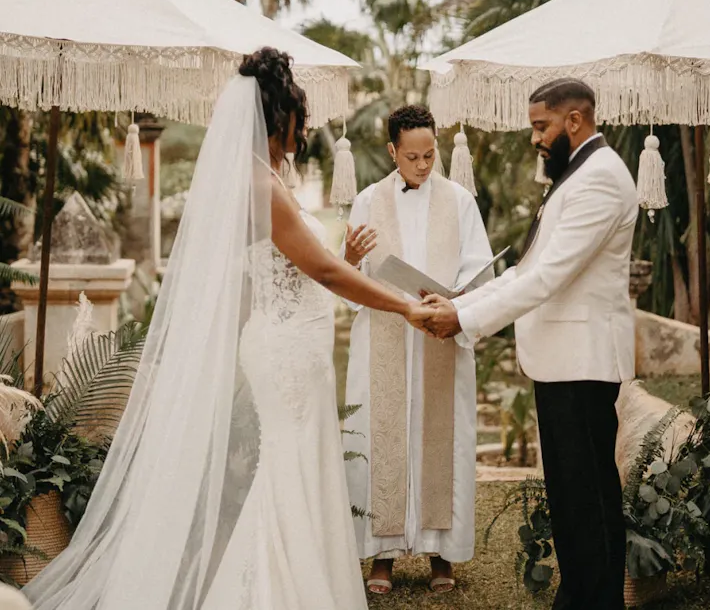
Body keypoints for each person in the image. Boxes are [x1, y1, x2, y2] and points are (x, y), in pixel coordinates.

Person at [24, 49, 432, 610]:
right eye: (299, 115)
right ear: (277, 118)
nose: (306, 127)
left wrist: (342, 262)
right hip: (286, 355)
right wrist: (406, 307)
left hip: (291, 348)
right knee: (288, 471)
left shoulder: (265, 177)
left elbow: (286, 268)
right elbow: (323, 271)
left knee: (299, 468)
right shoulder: (261, 187)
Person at [421, 79, 638, 610]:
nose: (535, 139)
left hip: (582, 364)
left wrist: (463, 319)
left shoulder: (601, 179)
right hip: (564, 363)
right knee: (572, 496)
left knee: (586, 499)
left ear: (575, 121)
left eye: (541, 127)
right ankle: (583, 595)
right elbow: (527, 269)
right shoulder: (578, 175)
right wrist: (462, 300)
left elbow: (548, 279)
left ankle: (593, 599)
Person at [341, 105, 492, 595]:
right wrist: (348, 257)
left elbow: (480, 274)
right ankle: (380, 557)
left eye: (430, 155)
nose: (424, 165)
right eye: (413, 156)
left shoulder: (460, 201)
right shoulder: (366, 201)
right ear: (392, 152)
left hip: (440, 334)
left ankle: (441, 554)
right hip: (384, 334)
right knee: (379, 436)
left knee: (441, 438)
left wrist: (453, 301)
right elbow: (349, 278)